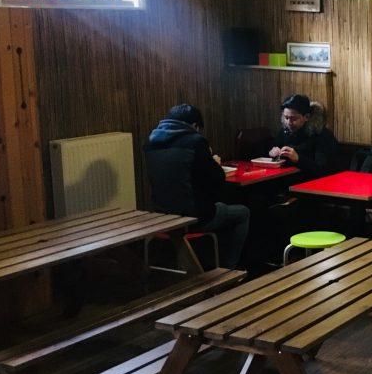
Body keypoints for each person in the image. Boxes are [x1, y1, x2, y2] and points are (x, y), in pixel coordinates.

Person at [144, 104, 249, 268]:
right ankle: (230, 268)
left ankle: (206, 262)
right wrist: (215, 163)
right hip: (193, 217)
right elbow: (217, 179)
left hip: (160, 215)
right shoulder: (195, 141)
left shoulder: (150, 142)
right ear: (194, 125)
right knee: (242, 212)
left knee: (219, 207)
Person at [268, 94, 340, 179]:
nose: (289, 123)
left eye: (294, 119)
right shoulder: (286, 130)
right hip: (288, 179)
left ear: (306, 117)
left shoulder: (321, 135)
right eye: (286, 118)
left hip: (315, 182)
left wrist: (298, 159)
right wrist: (273, 152)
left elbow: (322, 169)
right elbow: (274, 146)